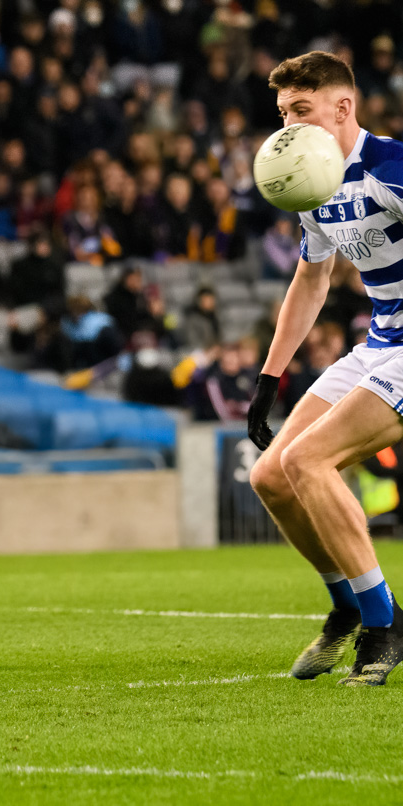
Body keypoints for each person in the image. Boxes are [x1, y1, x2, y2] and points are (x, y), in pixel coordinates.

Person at [247, 51, 403, 687]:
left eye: (300, 111)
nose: (287, 127)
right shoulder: (315, 179)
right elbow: (312, 278)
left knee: (308, 462)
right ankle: (347, 606)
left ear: (344, 108)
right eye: (283, 113)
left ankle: (384, 624)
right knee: (271, 477)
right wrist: (268, 378)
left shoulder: (392, 167)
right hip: (380, 341)